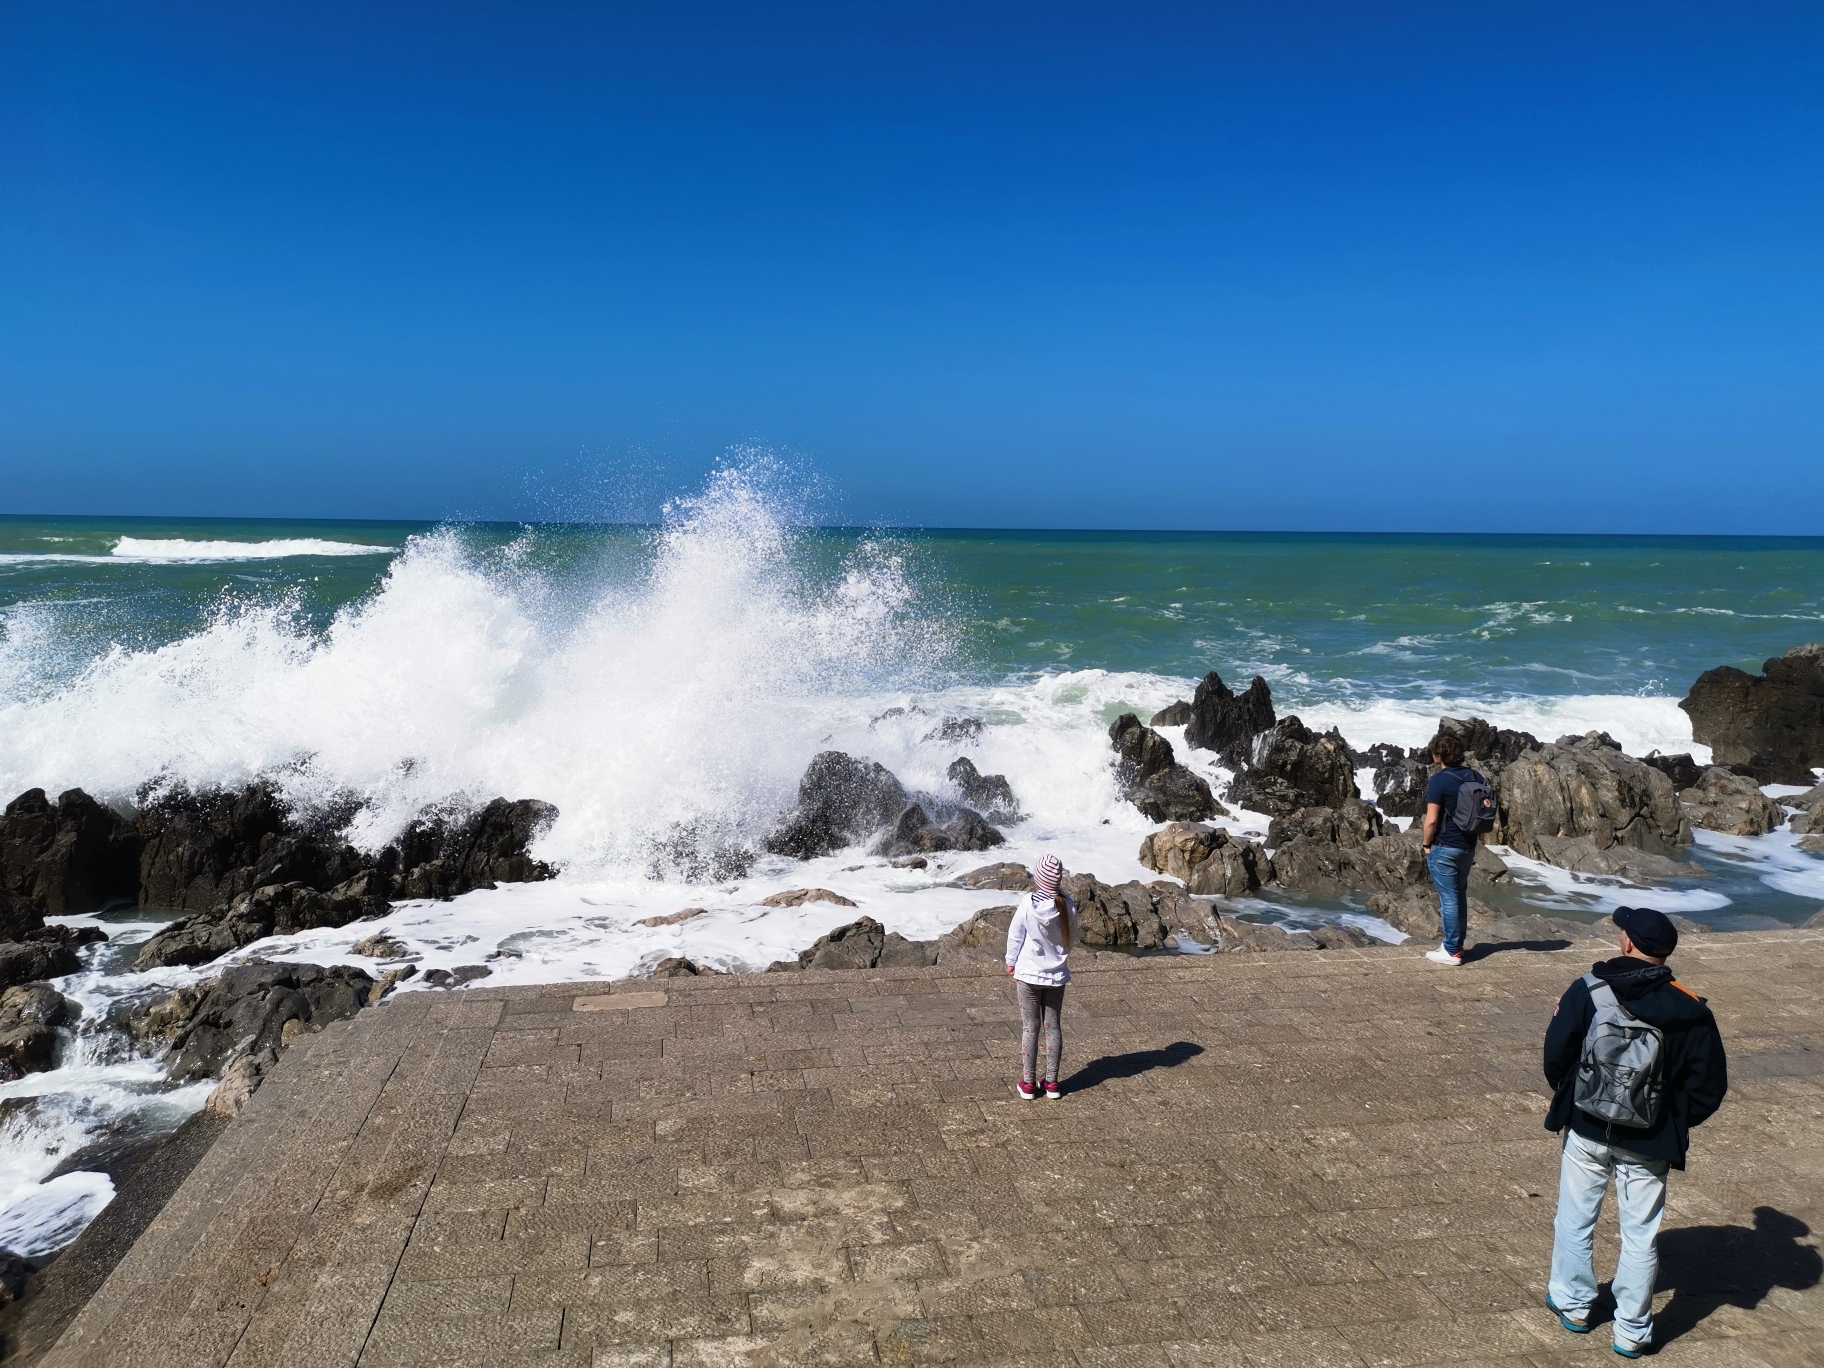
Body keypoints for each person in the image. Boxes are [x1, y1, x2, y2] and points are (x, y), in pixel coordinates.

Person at [1541, 906, 1729, 1359]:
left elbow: (1555, 1055)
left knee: (1575, 1218)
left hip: (1588, 1125)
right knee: (1640, 1233)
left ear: (1627, 943)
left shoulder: (1589, 990)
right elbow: (1709, 1087)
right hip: (1651, 1139)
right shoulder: (1690, 1008)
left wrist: (1580, 1098)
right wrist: (1672, 1120)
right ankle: (1631, 1330)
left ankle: (1575, 1305)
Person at [1005, 853, 1078, 1100]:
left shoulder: (1028, 903)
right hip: (1056, 976)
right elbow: (1073, 936)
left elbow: (1015, 935)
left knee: (1030, 1026)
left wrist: (1010, 962)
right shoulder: (1067, 904)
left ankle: (1028, 1084)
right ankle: (1052, 1083)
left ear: (1038, 878)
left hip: (1028, 975)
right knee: (1053, 1026)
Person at [1419, 730, 1485, 966]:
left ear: (1439, 756)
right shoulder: (1475, 776)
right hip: (1468, 845)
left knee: (1448, 898)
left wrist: (1426, 844)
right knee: (1459, 895)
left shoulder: (1440, 780)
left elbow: (1432, 820)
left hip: (1445, 845)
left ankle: (1451, 951)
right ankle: (1456, 945)